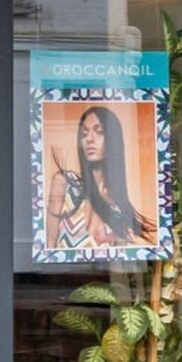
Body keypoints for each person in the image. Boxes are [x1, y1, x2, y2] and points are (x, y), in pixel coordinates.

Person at [54, 103, 152, 253]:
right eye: (84, 133)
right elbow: (48, 247)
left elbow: (134, 254)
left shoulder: (117, 206)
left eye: (99, 132)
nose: (89, 139)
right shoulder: (64, 182)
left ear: (112, 140)